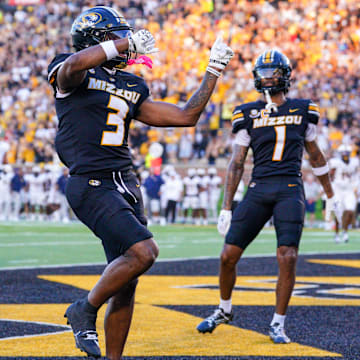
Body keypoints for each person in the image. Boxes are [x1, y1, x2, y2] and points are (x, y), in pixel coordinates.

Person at [47, 5, 233, 359]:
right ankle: (83, 308)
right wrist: (122, 45)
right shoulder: (73, 70)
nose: (127, 43)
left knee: (127, 282)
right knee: (144, 253)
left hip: (127, 185)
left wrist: (213, 71)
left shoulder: (132, 83)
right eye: (118, 35)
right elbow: (71, 67)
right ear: (98, 39)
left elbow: (186, 116)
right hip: (91, 183)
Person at [196, 50, 341, 344]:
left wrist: (330, 195)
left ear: (285, 75)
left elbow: (315, 155)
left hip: (289, 188)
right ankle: (224, 310)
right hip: (258, 188)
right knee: (227, 256)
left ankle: (277, 323)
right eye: (262, 72)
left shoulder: (303, 109)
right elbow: (237, 162)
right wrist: (226, 207)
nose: (267, 78)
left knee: (287, 257)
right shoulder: (246, 112)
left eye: (273, 71)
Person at [329, 144, 359, 242]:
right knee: (338, 213)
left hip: (349, 189)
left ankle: (345, 231)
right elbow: (330, 175)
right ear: (340, 154)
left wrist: (356, 187)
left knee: (350, 211)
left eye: (347, 153)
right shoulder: (335, 162)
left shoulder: (355, 162)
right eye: (343, 153)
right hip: (338, 189)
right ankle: (337, 233)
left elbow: (356, 174)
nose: (345, 155)